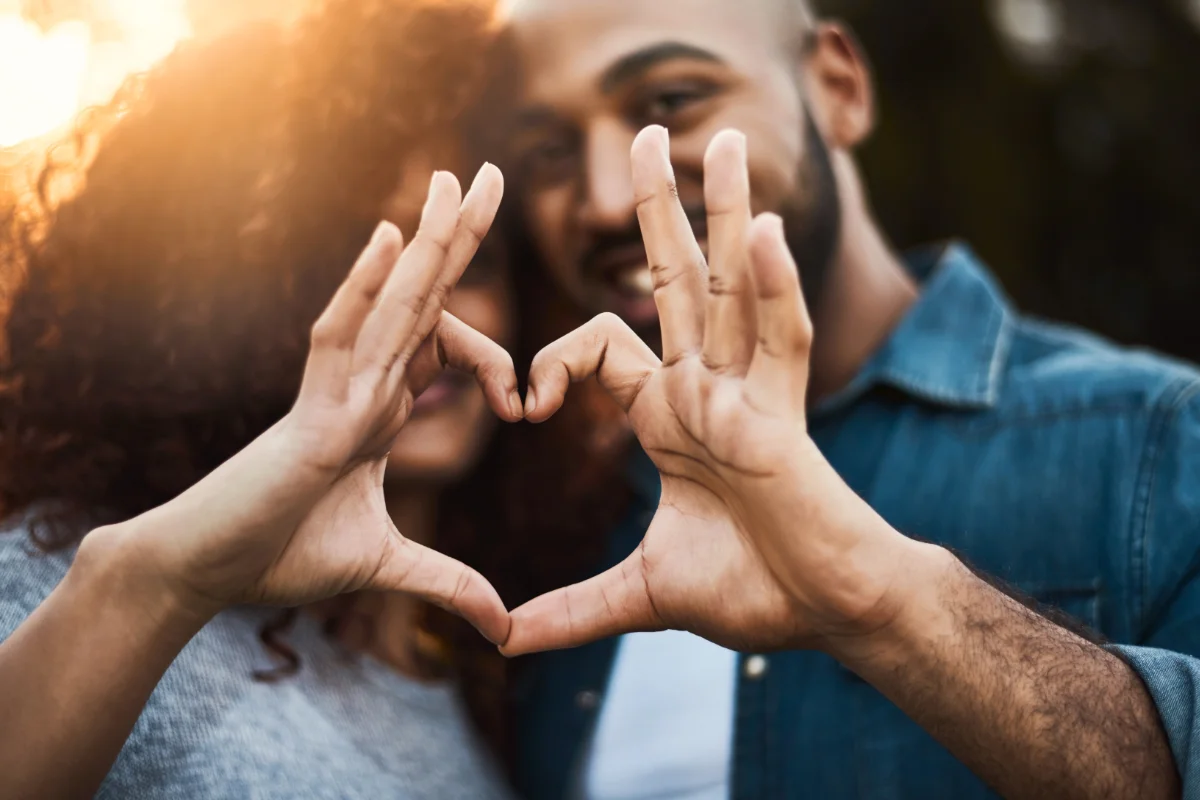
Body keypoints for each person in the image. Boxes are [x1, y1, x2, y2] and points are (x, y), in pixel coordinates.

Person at [492, 1, 1200, 797]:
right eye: (548, 149)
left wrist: (894, 612)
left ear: (838, 88)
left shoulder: (1157, 445)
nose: (602, 200)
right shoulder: (561, 517)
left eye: (668, 101)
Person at [0, 0, 553, 796]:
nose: (422, 319)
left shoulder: (498, 682)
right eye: (354, 262)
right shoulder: (59, 590)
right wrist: (150, 588)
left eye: (473, 260)